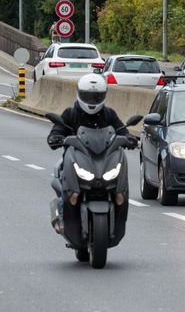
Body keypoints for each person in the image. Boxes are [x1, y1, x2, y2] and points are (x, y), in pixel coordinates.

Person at [46, 73, 132, 233]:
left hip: (104, 160)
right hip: (77, 160)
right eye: (88, 96)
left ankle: (118, 216)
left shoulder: (109, 114)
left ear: (104, 96)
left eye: (96, 97)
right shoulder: (70, 114)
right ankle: (63, 212)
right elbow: (58, 129)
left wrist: (129, 138)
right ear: (79, 94)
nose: (92, 101)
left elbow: (121, 130)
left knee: (120, 189)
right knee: (66, 184)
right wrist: (55, 137)